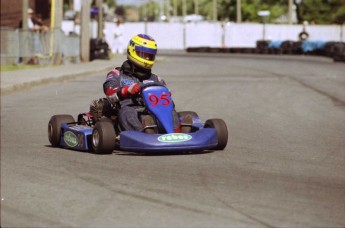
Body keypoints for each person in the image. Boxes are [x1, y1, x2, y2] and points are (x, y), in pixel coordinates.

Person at [103, 34, 192, 133]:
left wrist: (166, 95)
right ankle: (143, 132)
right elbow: (109, 92)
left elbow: (168, 101)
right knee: (127, 112)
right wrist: (126, 90)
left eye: (150, 56)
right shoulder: (117, 74)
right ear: (132, 51)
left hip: (153, 112)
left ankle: (177, 131)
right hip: (129, 110)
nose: (147, 58)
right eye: (144, 54)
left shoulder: (156, 79)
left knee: (170, 109)